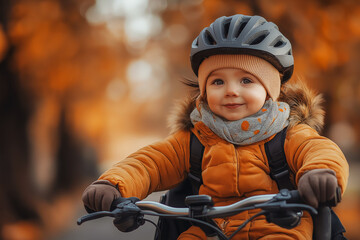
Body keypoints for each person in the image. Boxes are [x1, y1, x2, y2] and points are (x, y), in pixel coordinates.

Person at [82, 14, 349, 239]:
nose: (231, 91)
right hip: (206, 230)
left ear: (272, 90)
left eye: (246, 80)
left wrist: (319, 173)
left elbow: (318, 150)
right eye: (218, 82)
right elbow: (149, 162)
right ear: (203, 89)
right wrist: (113, 184)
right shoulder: (195, 138)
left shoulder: (288, 133)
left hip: (279, 227)